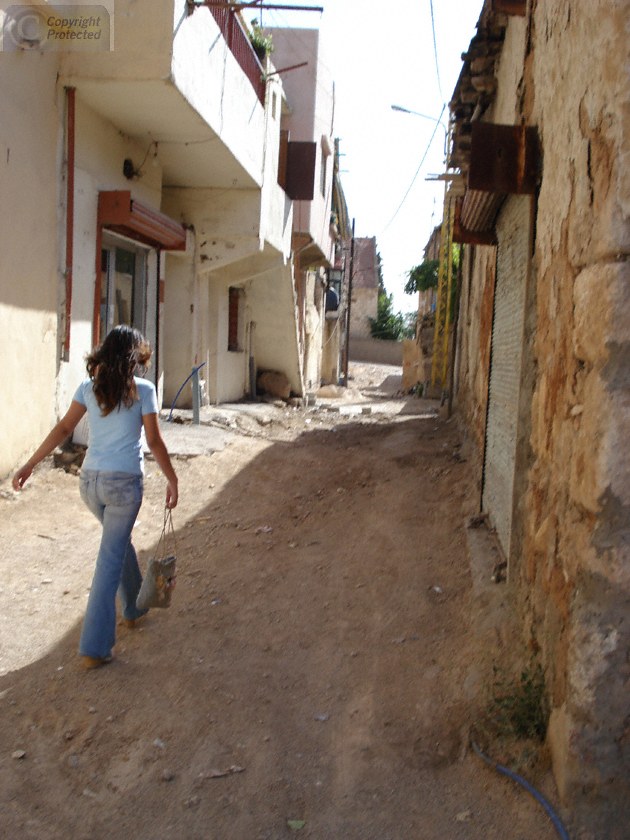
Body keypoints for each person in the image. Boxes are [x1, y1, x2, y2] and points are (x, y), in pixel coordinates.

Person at [13, 325, 178, 669]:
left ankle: (133, 609)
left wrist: (30, 464)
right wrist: (172, 479)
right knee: (109, 559)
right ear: (135, 357)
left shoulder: (89, 388)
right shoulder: (143, 390)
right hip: (123, 487)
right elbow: (155, 442)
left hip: (90, 484)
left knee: (116, 545)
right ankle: (94, 647)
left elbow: (63, 429)